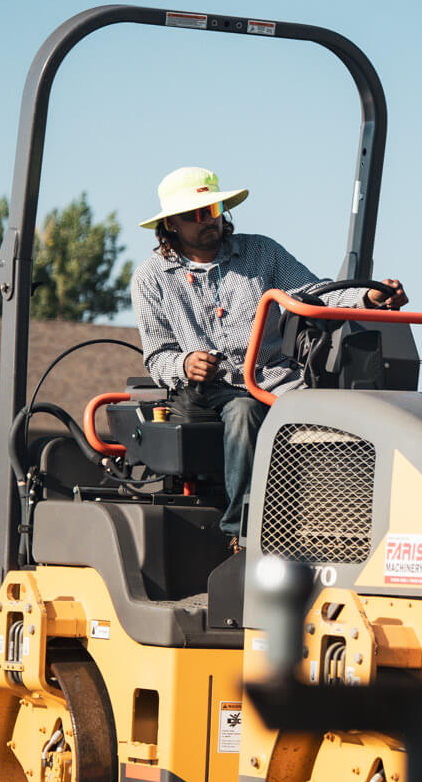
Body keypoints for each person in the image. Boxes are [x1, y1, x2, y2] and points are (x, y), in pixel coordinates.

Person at [130, 166, 407, 543]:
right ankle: (245, 534)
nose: (207, 220)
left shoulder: (261, 252)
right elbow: (158, 356)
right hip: (215, 390)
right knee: (244, 413)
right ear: (170, 225)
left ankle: (352, 527)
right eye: (194, 215)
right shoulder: (151, 278)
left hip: (278, 378)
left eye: (212, 210)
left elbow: (315, 295)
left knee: (345, 415)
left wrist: (368, 298)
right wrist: (185, 363)